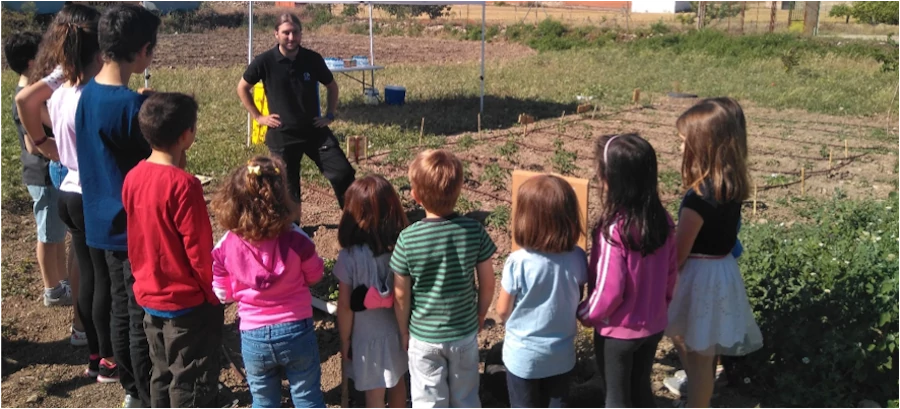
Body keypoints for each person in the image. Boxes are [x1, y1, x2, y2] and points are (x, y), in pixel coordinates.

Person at [17, 3, 121, 379]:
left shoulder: (63, 81)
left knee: (91, 276)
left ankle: (96, 354)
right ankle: (110, 358)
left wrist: (44, 143)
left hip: (67, 189)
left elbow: (23, 99)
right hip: (95, 193)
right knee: (106, 279)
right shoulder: (94, 87)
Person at [74, 4, 161, 407]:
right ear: (142, 50)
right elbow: (157, 163)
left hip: (99, 219)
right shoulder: (128, 107)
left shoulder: (87, 93)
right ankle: (144, 392)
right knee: (140, 316)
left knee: (120, 310)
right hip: (132, 226)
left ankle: (130, 389)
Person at [122, 93, 223, 408]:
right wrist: (213, 292)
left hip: (150, 295)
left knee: (162, 372)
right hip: (187, 302)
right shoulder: (184, 186)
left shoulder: (133, 176)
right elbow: (198, 248)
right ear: (186, 134)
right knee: (190, 378)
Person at [665, 97, 763, 408]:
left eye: (684, 142)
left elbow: (679, 254)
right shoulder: (730, 187)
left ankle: (697, 403)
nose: (680, 148)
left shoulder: (697, 200)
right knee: (703, 347)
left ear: (702, 146)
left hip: (698, 278)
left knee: (695, 354)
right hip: (721, 271)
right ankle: (700, 396)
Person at [211, 156, 326, 409]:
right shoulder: (297, 239)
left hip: (253, 336)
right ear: (281, 196)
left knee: (263, 401)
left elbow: (222, 293)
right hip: (296, 328)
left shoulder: (226, 246)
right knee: (307, 396)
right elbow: (316, 274)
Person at [577, 133, 678, 408]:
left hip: (617, 332)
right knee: (641, 389)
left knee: (616, 397)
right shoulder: (664, 221)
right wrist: (660, 307)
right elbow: (671, 275)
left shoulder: (614, 229)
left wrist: (586, 313)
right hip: (653, 325)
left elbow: (610, 290)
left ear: (611, 179)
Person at [390, 149, 496, 409]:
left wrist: (403, 329)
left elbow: (401, 294)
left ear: (414, 196)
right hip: (463, 332)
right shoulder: (473, 230)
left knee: (428, 400)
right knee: (466, 397)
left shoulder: (408, 239)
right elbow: (488, 280)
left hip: (424, 336)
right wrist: (481, 313)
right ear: (460, 189)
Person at [236, 12, 355, 211]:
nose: (291, 38)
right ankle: (295, 229)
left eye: (295, 32)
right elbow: (242, 88)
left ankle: (354, 218)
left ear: (301, 33)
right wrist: (259, 117)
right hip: (282, 133)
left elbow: (332, 86)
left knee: (343, 172)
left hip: (314, 130)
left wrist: (329, 115)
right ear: (276, 34)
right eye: (286, 33)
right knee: (288, 187)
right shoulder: (264, 61)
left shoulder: (312, 59)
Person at [494, 174, 587, 408]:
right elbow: (579, 296)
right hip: (561, 356)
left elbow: (503, 310)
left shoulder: (518, 261)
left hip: (522, 357)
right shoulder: (577, 257)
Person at [5, 33, 72, 318]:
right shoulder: (29, 100)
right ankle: (51, 289)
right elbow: (35, 143)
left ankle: (62, 281)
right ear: (33, 61)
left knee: (57, 233)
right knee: (47, 234)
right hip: (42, 174)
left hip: (46, 173)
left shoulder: (30, 91)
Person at [334, 175, 409, 409]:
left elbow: (345, 306)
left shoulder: (349, 258)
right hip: (398, 333)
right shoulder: (401, 248)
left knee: (374, 396)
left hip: (366, 340)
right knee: (398, 384)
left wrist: (344, 339)